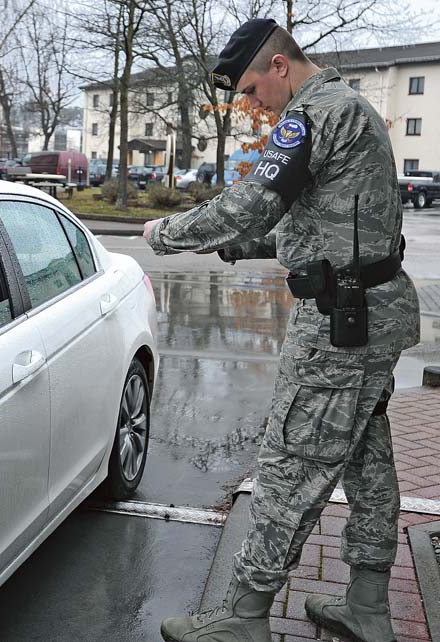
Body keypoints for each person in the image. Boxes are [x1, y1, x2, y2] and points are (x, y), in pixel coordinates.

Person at [143, 18, 419, 642]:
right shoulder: (350, 108)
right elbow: (331, 223)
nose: (248, 104)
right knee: (368, 463)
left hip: (339, 327)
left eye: (249, 88)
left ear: (278, 67)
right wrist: (245, 246)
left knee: (290, 462)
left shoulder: (311, 114)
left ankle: (243, 614)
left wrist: (166, 234)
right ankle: (369, 606)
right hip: (371, 312)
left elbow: (251, 201)